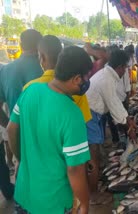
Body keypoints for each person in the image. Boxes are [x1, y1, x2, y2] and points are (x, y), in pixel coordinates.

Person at [7, 46, 92, 214]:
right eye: (86, 77)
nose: (87, 82)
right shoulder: (72, 113)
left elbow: (11, 129)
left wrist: (23, 160)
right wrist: (85, 203)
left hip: (24, 194)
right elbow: (75, 169)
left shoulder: (30, 91)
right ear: (76, 79)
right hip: (54, 203)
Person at [86, 50, 137, 202]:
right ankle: (93, 194)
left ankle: (96, 179)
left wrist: (128, 120)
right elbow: (114, 105)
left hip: (95, 114)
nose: (126, 71)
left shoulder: (107, 75)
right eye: (126, 68)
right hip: (89, 116)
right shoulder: (106, 79)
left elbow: (114, 101)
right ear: (120, 67)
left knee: (96, 151)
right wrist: (128, 126)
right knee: (93, 153)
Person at [24, 35, 92, 121]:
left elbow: (20, 124)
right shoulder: (76, 86)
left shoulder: (29, 88)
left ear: (42, 57)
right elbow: (84, 123)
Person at [0, 29, 43, 114]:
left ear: (21, 45)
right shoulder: (47, 69)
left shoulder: (5, 70)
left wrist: (9, 125)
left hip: (15, 125)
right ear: (40, 46)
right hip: (44, 126)